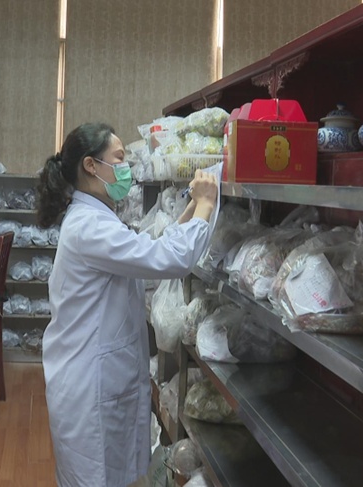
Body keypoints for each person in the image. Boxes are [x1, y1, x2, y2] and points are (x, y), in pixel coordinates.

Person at [37, 122, 218, 486]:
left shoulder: (97, 218)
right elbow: (169, 259)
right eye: (119, 159)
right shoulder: (89, 226)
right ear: (91, 166)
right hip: (88, 382)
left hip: (95, 375)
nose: (126, 169)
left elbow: (149, 253)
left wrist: (191, 211)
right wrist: (207, 203)